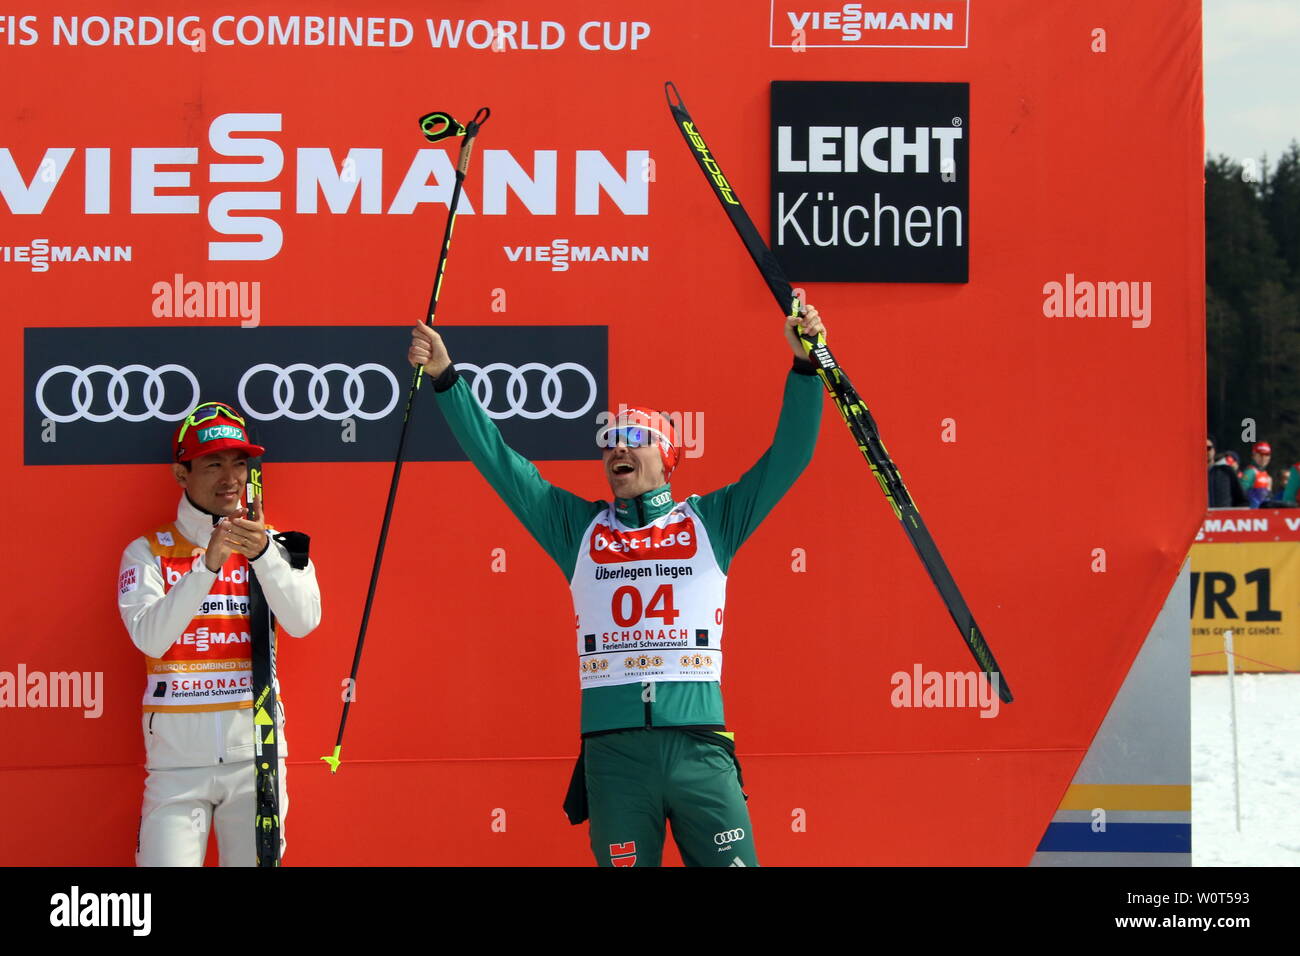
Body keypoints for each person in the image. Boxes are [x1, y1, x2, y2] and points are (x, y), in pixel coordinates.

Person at [408, 307, 826, 866]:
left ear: (668, 456)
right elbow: (501, 465)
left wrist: (807, 363)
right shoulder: (577, 528)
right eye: (608, 441)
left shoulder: (712, 522)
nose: (616, 448)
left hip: (699, 745)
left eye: (634, 437)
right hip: (615, 756)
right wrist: (446, 378)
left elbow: (790, 458)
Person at [117, 401, 321, 866]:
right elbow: (150, 637)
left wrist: (264, 553)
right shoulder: (147, 551)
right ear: (181, 473)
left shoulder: (278, 544)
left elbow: (304, 621)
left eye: (240, 463)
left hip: (257, 759)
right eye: (214, 463)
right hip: (176, 767)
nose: (231, 477)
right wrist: (208, 564)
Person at [1207, 436, 1248, 508]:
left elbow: (1241, 501)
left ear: (1214, 450)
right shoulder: (1190, 476)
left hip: (1224, 518)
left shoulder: (1226, 472)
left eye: (1208, 448)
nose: (1205, 451)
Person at [1240, 441, 1274, 508]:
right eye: (1260, 454)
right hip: (1252, 513)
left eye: (1267, 455)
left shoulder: (1266, 475)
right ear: (1254, 455)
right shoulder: (1250, 472)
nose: (1263, 458)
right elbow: (1241, 493)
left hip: (1263, 512)